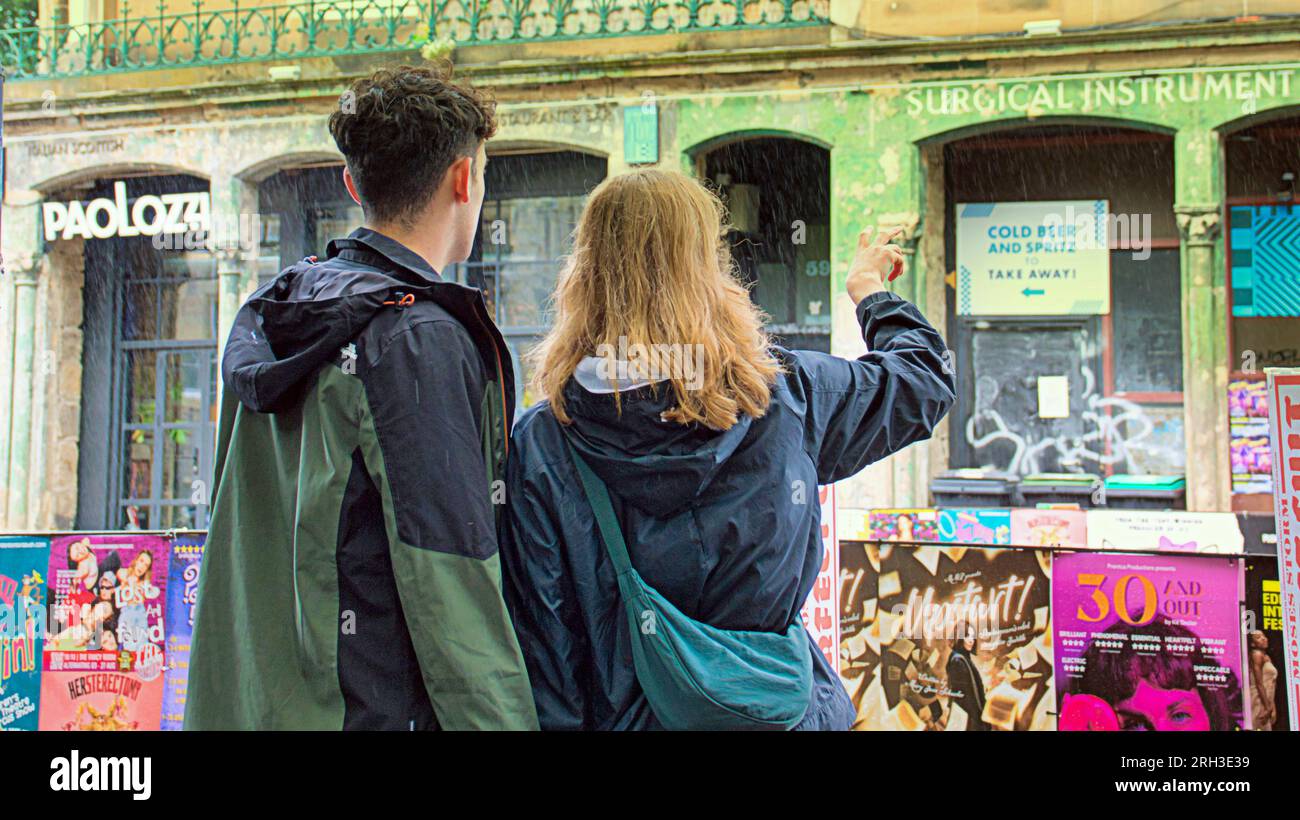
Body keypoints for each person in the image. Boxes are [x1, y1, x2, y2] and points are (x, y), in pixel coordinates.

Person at [500, 169, 955, 730]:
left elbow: (546, 647)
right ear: (708, 268)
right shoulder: (787, 398)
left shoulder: (544, 441)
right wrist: (872, 294)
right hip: (777, 716)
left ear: (585, 273)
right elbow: (924, 382)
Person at [184, 63, 537, 731]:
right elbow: (451, 586)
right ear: (465, 180)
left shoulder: (274, 313)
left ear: (352, 184)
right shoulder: (415, 338)